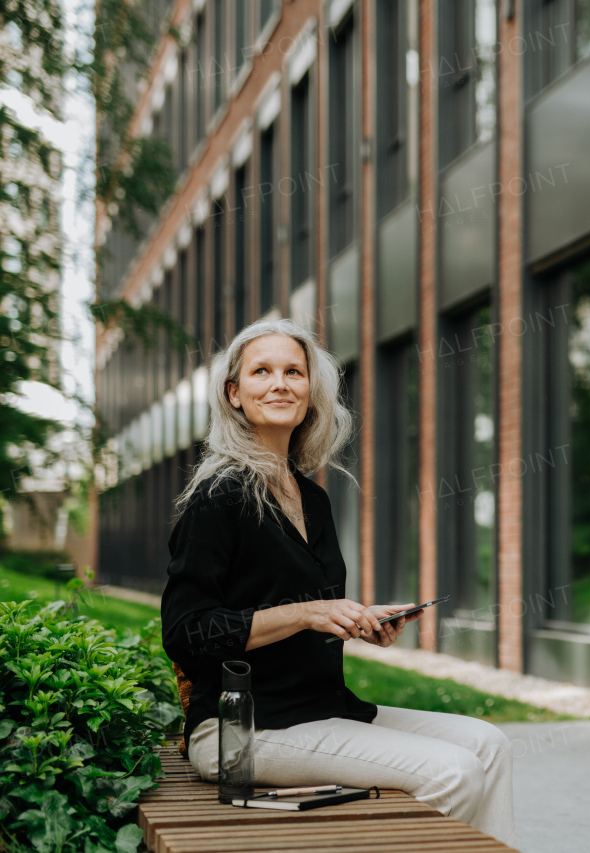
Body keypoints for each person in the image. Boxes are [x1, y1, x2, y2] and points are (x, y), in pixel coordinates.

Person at [160, 318, 515, 847]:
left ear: (311, 392)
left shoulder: (311, 498)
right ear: (233, 393)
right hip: (244, 730)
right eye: (262, 371)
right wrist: (305, 614)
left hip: (322, 709)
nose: (280, 383)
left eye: (293, 372)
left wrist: (357, 622)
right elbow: (185, 632)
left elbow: (307, 617)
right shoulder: (219, 497)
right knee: (454, 771)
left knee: (489, 743)